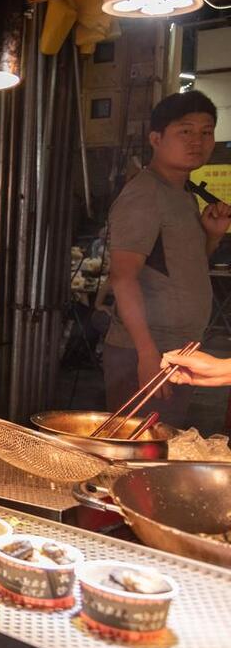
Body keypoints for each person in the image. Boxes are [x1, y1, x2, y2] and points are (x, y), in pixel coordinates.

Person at [103, 91, 231, 426]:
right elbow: (123, 276)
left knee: (161, 448)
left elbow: (180, 271)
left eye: (206, 132)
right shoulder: (144, 195)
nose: (197, 141)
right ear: (156, 139)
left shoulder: (183, 195)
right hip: (146, 352)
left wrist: (212, 235)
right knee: (139, 455)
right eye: (185, 131)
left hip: (179, 349)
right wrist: (147, 354)